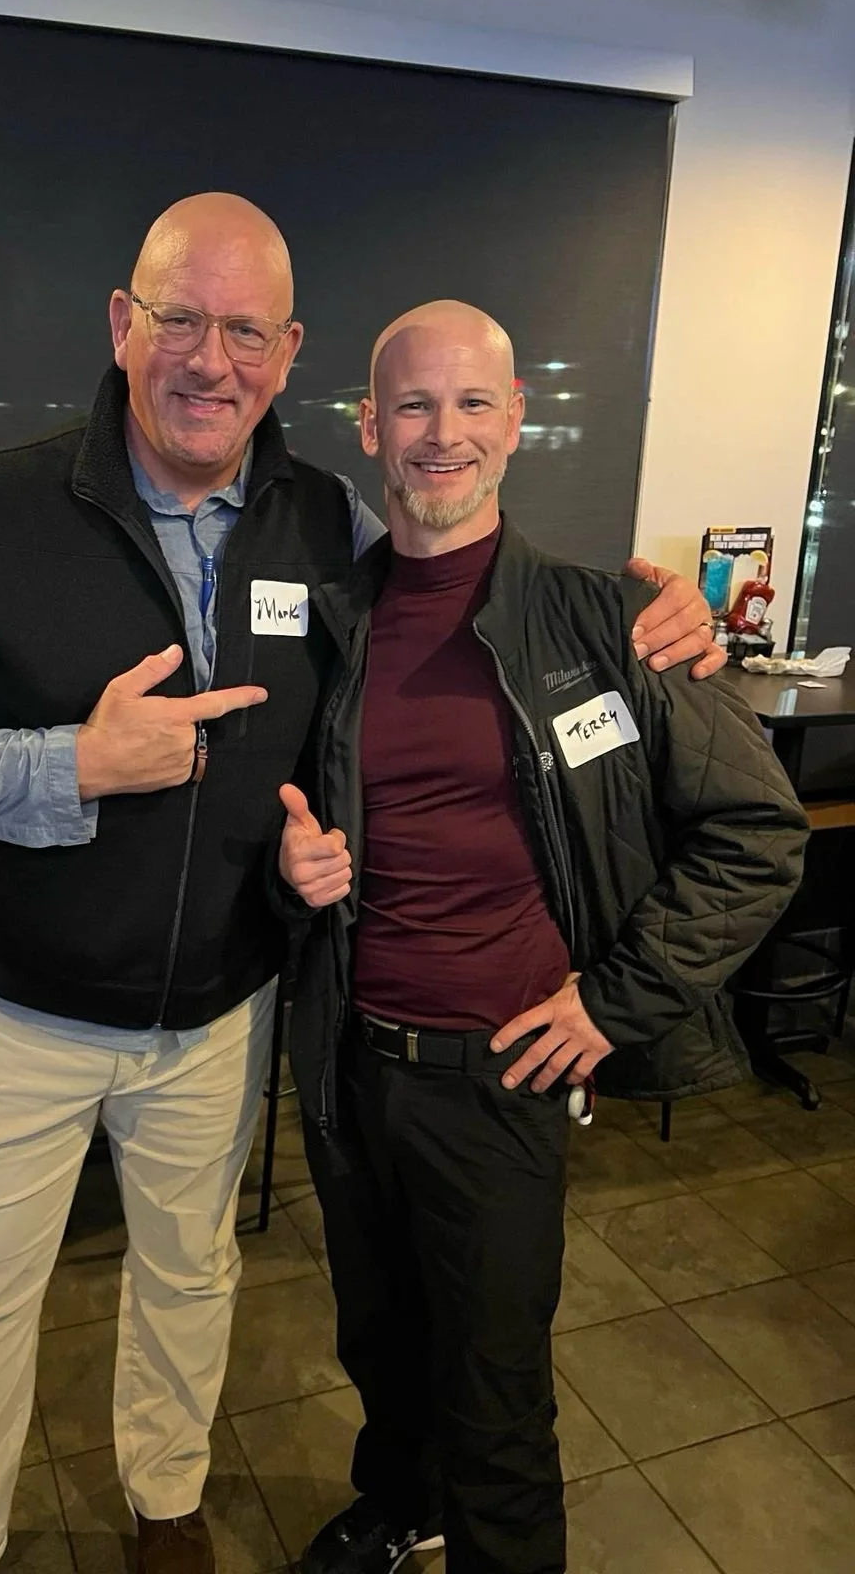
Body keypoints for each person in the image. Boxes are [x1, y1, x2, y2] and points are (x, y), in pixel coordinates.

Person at [0, 194, 723, 1574]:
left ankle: (167, 1509)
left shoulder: (329, 524)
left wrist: (666, 615)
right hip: (18, 1010)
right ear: (124, 326)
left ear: (289, 353)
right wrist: (71, 764)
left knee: (192, 1279)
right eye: (180, 319)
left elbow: (443, 606)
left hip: (221, 1014)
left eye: (247, 330)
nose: (212, 359)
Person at [276, 300, 809, 1574]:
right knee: (379, 1340)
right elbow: (272, 811)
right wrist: (290, 871)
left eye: (473, 403)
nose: (442, 432)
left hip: (500, 1077)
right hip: (349, 1062)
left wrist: (613, 1005)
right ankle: (401, 1504)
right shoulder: (328, 625)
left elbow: (759, 832)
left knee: (495, 1390)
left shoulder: (607, 622)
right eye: (413, 404)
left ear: (516, 420)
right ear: (369, 426)